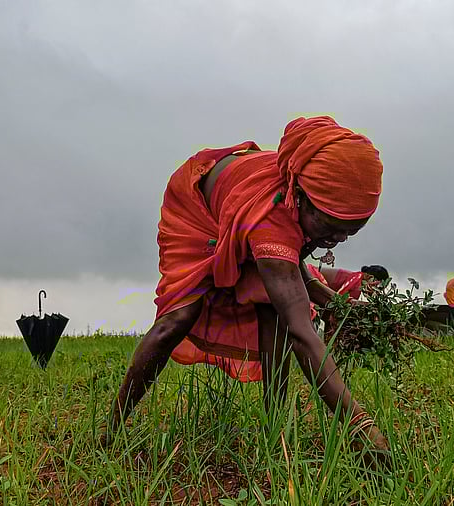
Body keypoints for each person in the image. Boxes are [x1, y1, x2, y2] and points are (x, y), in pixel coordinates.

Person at [106, 116, 389, 455]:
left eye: (351, 231)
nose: (338, 240)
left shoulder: (295, 204)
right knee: (178, 320)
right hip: (197, 208)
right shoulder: (272, 219)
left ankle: (275, 435)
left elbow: (294, 266)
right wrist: (363, 429)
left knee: (273, 311)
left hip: (245, 208)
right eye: (331, 226)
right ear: (299, 195)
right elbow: (302, 331)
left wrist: (338, 305)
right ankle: (111, 429)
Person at [304, 264, 390, 301]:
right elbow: (339, 301)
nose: (376, 292)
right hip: (309, 276)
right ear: (369, 277)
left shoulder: (357, 277)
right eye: (377, 288)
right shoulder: (357, 282)